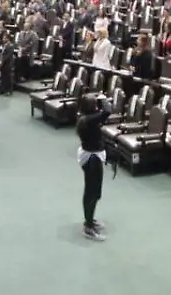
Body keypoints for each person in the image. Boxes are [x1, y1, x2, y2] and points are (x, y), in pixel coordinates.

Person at [75, 93, 111, 241]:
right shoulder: (89, 119)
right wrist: (103, 98)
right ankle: (88, 227)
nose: (97, 105)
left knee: (94, 192)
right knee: (92, 192)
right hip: (92, 159)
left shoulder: (86, 117)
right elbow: (108, 111)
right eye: (94, 103)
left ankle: (89, 220)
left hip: (92, 157)